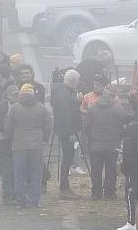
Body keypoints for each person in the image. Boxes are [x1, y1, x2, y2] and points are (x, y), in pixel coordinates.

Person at [5, 83, 52, 209]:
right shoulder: (41, 108)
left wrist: (10, 138)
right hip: (36, 145)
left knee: (19, 174)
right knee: (35, 174)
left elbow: (8, 127)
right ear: (33, 94)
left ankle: (21, 201)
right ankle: (33, 201)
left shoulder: (14, 108)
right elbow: (48, 126)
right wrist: (45, 138)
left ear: (21, 94)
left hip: (19, 145)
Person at [86, 84, 127, 200]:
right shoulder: (118, 108)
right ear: (113, 96)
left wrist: (92, 139)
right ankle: (109, 192)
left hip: (96, 145)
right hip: (112, 144)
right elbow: (123, 125)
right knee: (111, 169)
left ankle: (96, 193)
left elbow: (87, 127)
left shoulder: (92, 108)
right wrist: (119, 137)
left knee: (96, 169)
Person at [50, 69, 82, 200]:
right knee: (67, 158)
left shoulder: (61, 92)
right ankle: (64, 188)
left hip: (63, 130)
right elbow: (65, 115)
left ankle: (65, 187)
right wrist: (70, 133)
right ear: (74, 82)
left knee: (68, 158)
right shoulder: (65, 94)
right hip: (66, 132)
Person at [0, 84, 19, 205]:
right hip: (4, 141)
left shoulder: (18, 105)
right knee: (6, 168)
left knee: (14, 167)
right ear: (8, 95)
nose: (16, 96)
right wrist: (7, 131)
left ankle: (14, 193)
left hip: (15, 141)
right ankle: (7, 194)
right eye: (14, 94)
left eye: (17, 94)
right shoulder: (2, 106)